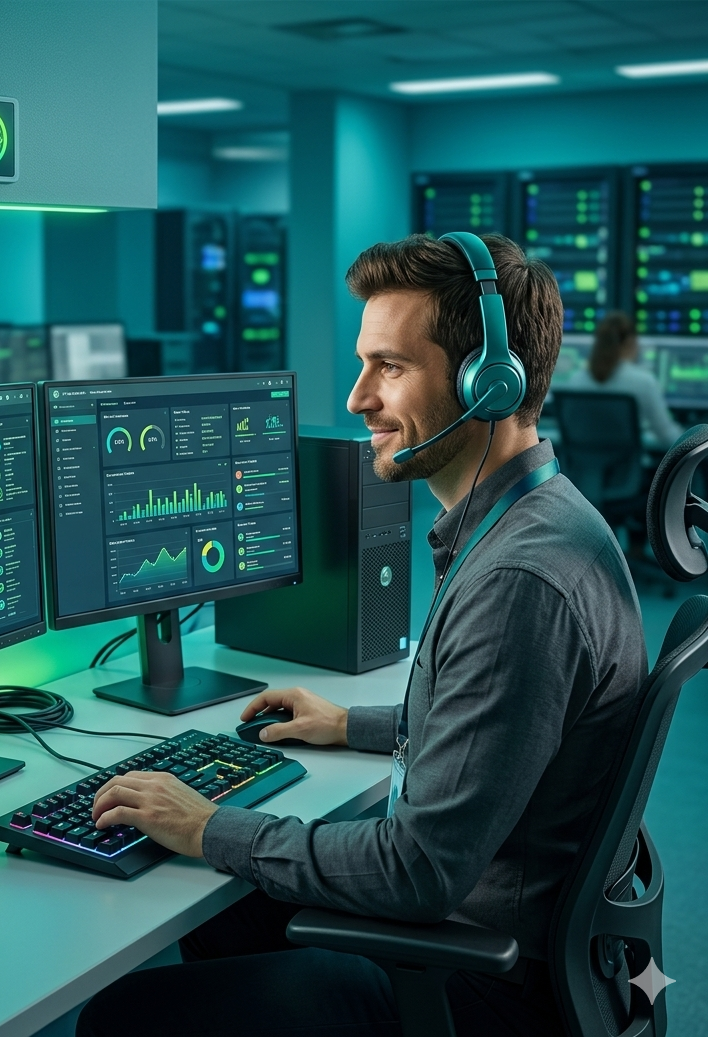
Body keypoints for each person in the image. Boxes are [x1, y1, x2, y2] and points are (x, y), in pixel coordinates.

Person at [76, 235, 646, 1037]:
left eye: (391, 366)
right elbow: (509, 733)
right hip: (519, 934)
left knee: (121, 1016)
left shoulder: (520, 581)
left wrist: (208, 824)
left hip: (488, 987)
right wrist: (354, 723)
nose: (356, 398)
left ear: (489, 383)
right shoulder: (542, 518)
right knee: (222, 915)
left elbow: (418, 871)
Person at [569, 310, 681, 449]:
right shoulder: (643, 381)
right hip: (626, 463)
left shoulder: (576, 380)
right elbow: (667, 436)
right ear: (630, 342)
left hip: (583, 463)